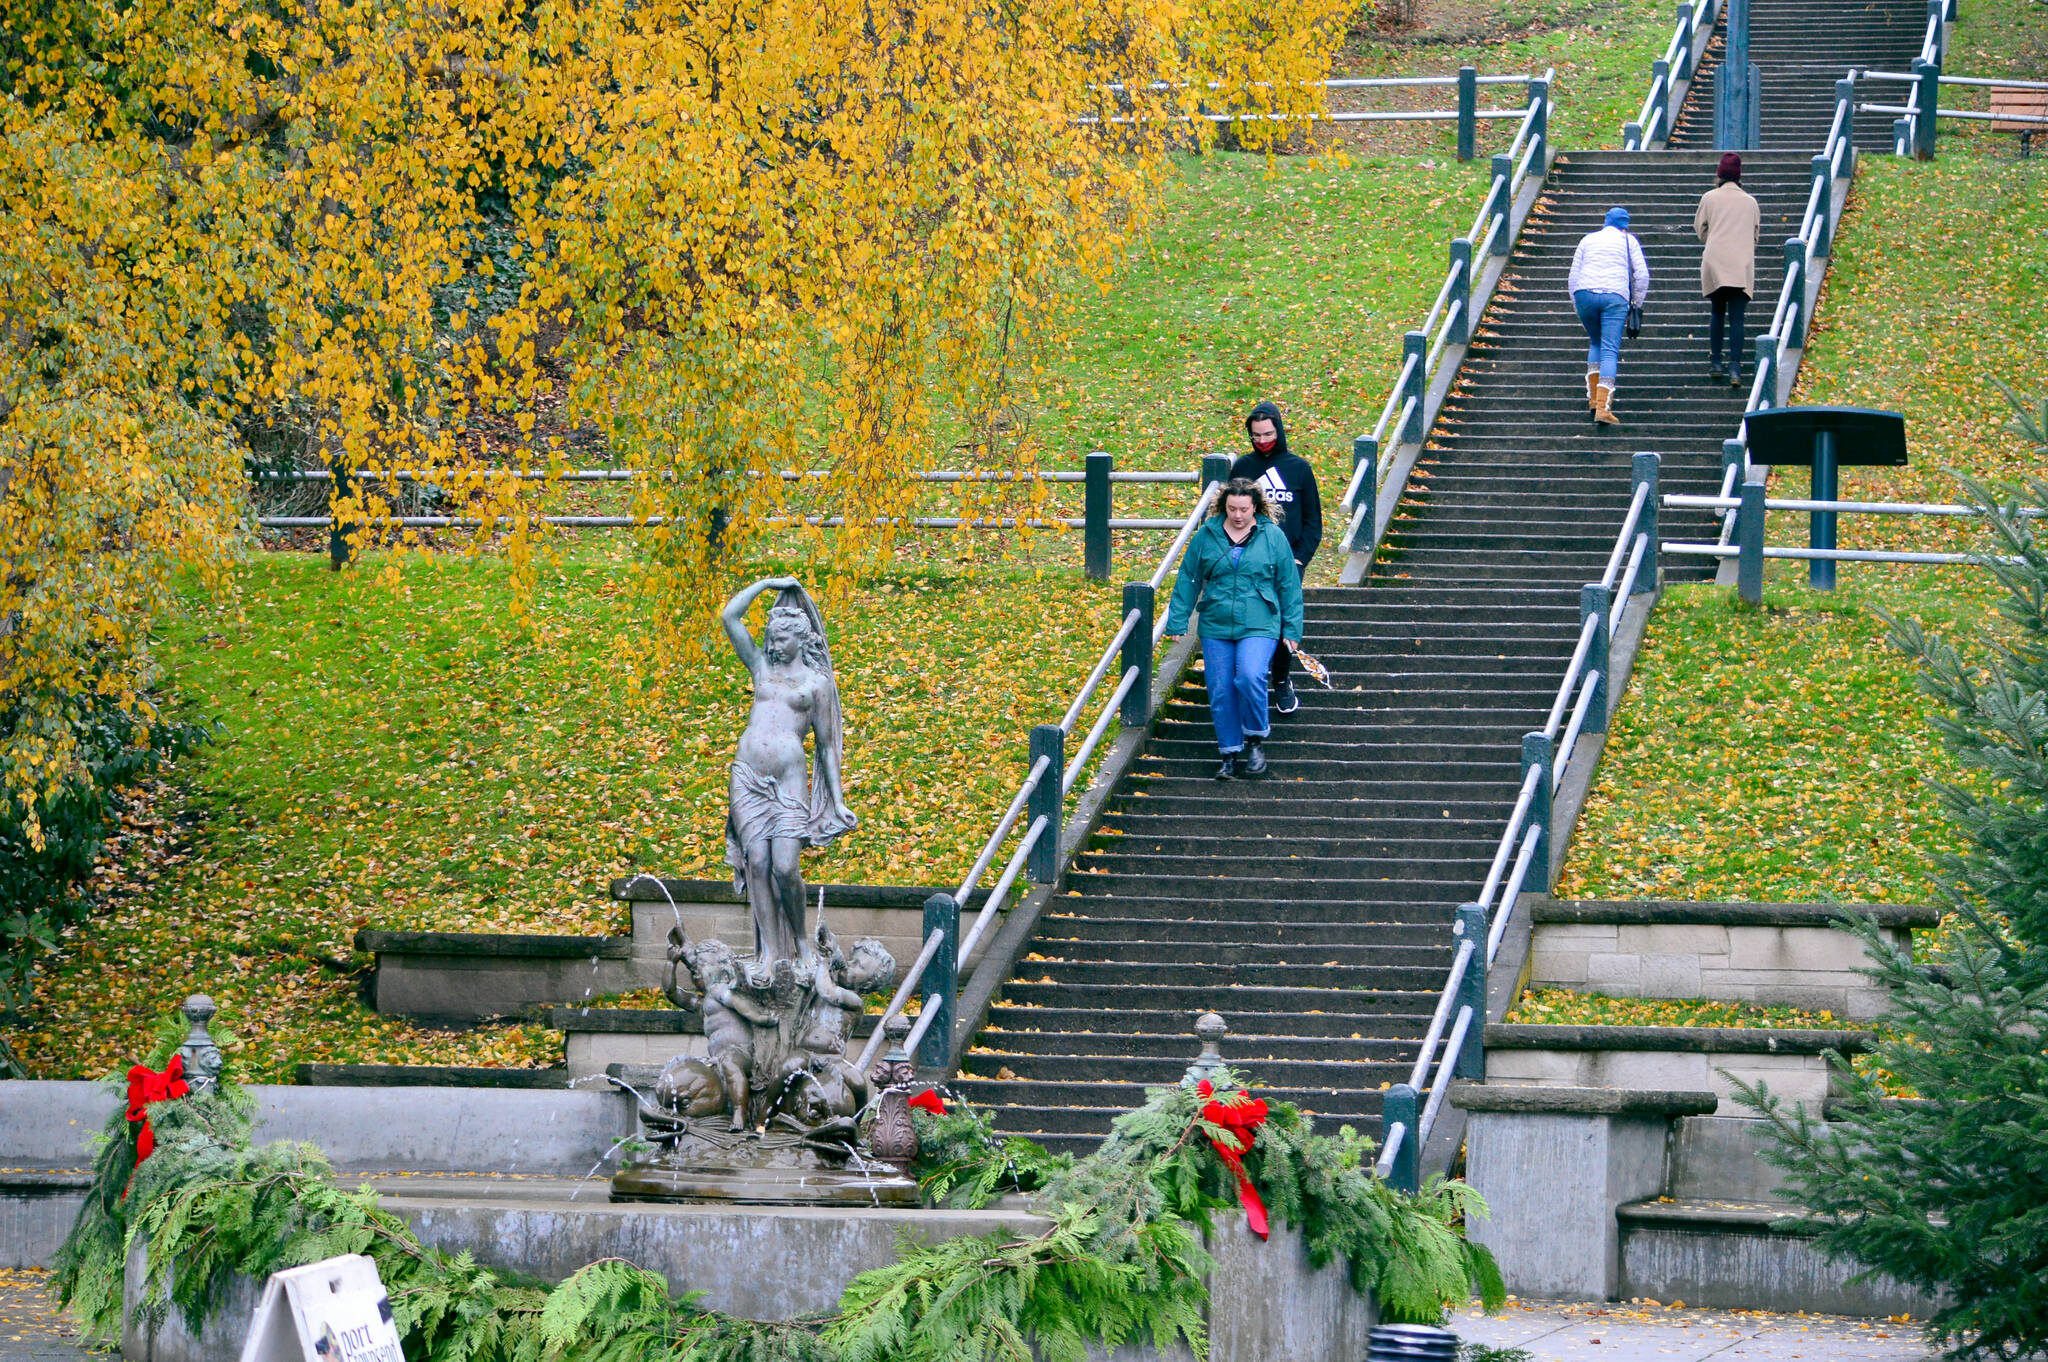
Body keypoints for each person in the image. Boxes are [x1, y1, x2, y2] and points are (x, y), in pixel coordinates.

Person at [720, 577, 856, 970]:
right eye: (770, 638)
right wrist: (767, 584)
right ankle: (768, 954)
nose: (773, 646)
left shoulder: (818, 683)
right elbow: (730, 616)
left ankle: (801, 944)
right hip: (747, 776)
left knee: (785, 866)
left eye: (780, 639)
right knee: (758, 864)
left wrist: (838, 799)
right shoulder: (761, 668)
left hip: (789, 779)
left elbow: (828, 746)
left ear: (799, 639)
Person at [1162, 477, 1304, 780]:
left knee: (1251, 675)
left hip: (1260, 621)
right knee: (1221, 688)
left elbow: (1289, 585)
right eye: (1231, 509)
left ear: (1256, 507)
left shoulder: (1273, 536)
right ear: (1222, 507)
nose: (1238, 515)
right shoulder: (1207, 535)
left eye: (1243, 509)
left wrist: (1292, 630)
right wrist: (1177, 620)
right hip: (1216, 622)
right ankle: (1228, 753)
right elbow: (1189, 578)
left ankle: (1254, 741)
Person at [1230, 401, 1322, 717]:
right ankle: (1244, 679)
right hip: (1247, 562)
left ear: (1279, 430)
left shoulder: (1299, 469)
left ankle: (1281, 680)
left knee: (1284, 621)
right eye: (1256, 435)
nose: (1263, 440)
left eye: (1268, 433)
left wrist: (1299, 560)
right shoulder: (1242, 467)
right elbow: (1228, 514)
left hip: (1287, 563)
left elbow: (1313, 522)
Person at [1567, 206, 1649, 428]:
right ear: (1625, 225)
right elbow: (1641, 275)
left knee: (1595, 341)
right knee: (1610, 349)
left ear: (1606, 222)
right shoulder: (1628, 241)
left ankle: (1593, 400)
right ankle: (1603, 408)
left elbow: (1573, 276)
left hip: (1584, 294)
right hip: (1615, 297)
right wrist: (1637, 304)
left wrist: (1577, 304)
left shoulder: (1587, 239)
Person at [1695, 152, 1760, 389]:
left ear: (1719, 174)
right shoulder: (1750, 202)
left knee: (1717, 312)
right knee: (1737, 317)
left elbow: (1700, 230)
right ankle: (1735, 367)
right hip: (1740, 263)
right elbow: (1755, 235)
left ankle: (1715, 362)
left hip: (1715, 260)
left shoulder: (1709, 198)